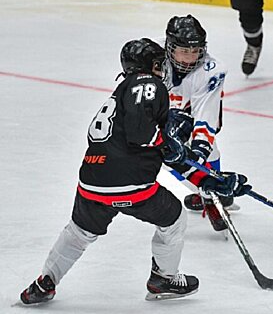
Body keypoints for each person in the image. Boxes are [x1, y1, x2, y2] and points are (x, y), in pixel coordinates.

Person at [19, 38, 200, 304]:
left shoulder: (120, 93)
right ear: (148, 66)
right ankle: (164, 278)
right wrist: (166, 143)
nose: (162, 69)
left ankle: (45, 283)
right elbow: (141, 134)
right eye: (158, 63)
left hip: (92, 182)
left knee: (78, 233)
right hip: (131, 182)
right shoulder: (146, 83)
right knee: (173, 218)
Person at [162, 14, 251, 231]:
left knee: (208, 152)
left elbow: (206, 115)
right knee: (165, 157)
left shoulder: (211, 70)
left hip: (188, 116)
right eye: (184, 51)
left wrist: (200, 149)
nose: (190, 58)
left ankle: (209, 197)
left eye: (195, 51)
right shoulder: (153, 56)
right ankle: (206, 193)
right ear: (170, 47)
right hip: (158, 116)